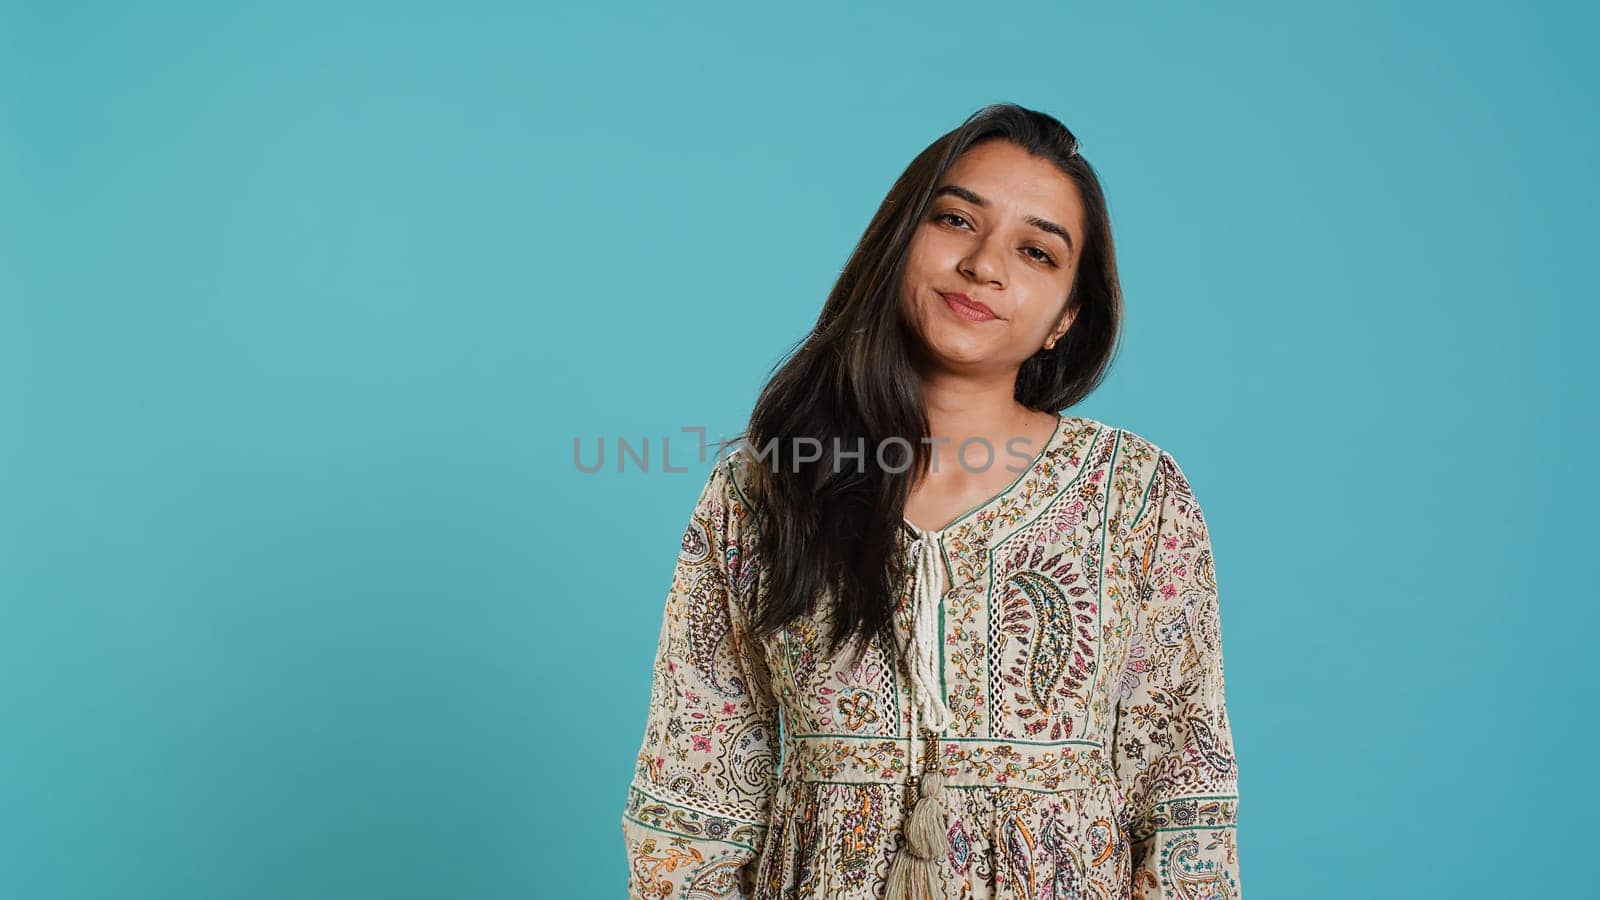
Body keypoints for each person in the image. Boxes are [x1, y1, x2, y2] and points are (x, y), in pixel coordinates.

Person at [620, 102, 1243, 899]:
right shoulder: (768, 486)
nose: (986, 265)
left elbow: (1184, 796)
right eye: (955, 220)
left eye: (1036, 252)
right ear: (899, 242)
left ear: (1066, 319)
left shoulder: (1136, 495)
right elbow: (692, 798)